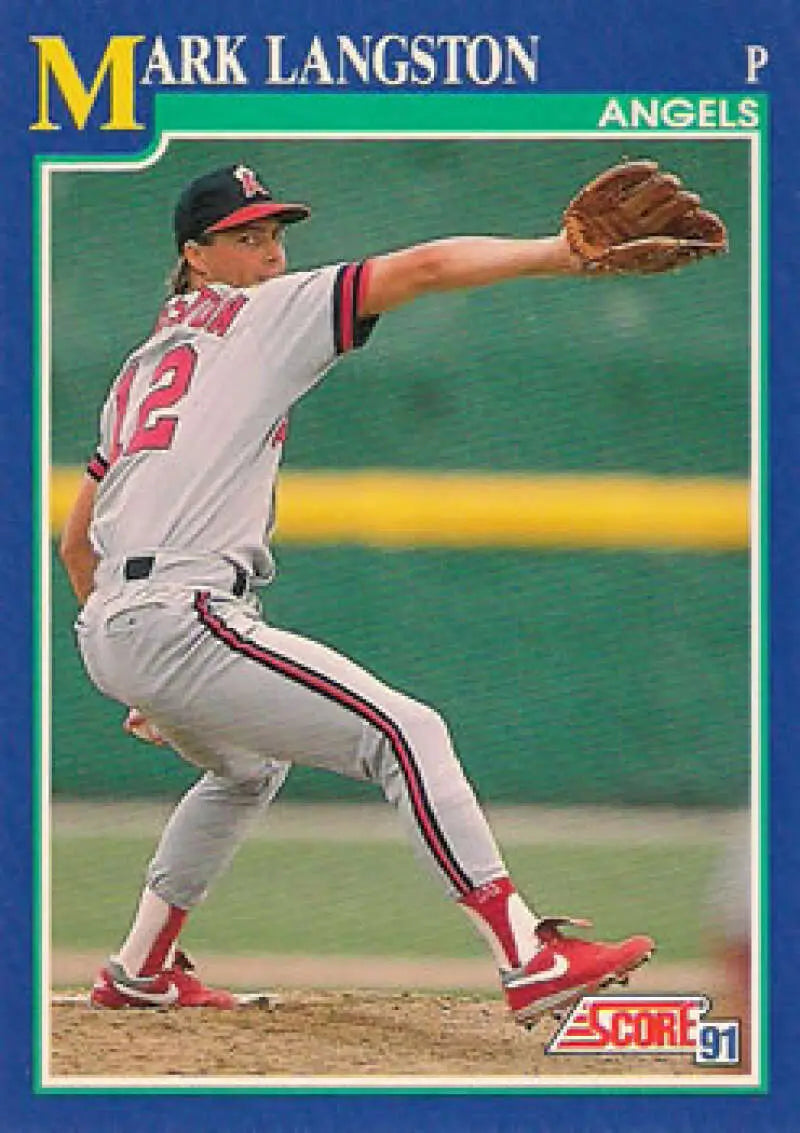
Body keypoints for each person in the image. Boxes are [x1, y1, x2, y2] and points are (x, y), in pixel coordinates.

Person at [59, 161, 655, 1027]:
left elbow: (78, 540)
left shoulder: (140, 368)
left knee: (245, 768)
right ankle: (528, 957)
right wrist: (559, 255)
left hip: (115, 622)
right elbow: (422, 269)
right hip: (181, 615)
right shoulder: (267, 311)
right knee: (405, 730)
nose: (269, 253)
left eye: (273, 234)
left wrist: (131, 664)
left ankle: (142, 967)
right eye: (244, 238)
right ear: (195, 255)